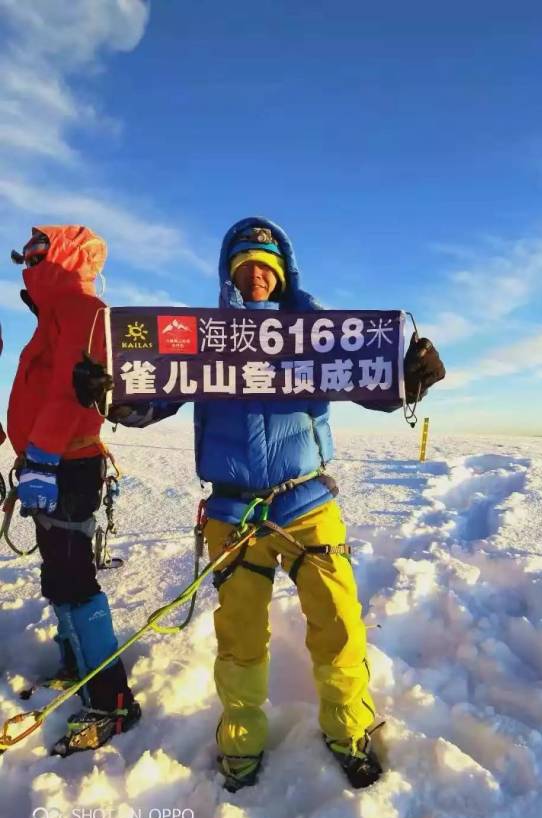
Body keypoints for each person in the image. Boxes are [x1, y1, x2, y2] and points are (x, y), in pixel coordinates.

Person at [75, 217, 445, 789]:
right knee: (240, 636)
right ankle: (242, 744)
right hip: (232, 512)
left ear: (283, 273)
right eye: (244, 265)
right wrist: (111, 394)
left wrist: (409, 374)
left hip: (307, 502)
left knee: (340, 624)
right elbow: (155, 396)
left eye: (266, 266)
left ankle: (349, 731)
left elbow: (368, 381)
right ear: (229, 274)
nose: (256, 275)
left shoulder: (315, 337)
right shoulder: (199, 342)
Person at [7, 226, 140, 756]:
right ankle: (75, 662)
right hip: (47, 462)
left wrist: (42, 456)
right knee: (57, 571)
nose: (30, 261)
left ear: (63, 257)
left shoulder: (82, 309)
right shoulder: (55, 313)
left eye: (40, 253)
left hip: (66, 464)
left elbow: (72, 390)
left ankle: (113, 699)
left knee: (75, 576)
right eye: (28, 255)